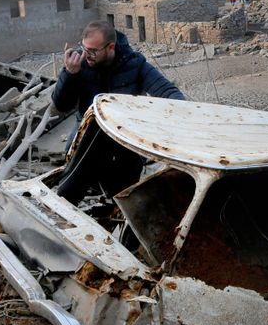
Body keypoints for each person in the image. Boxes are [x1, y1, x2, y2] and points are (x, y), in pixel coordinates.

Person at [52, 20, 185, 204]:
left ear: (111, 47)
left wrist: (183, 114)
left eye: (93, 51)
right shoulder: (79, 64)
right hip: (88, 130)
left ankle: (118, 202)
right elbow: (61, 105)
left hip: (124, 132)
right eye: (84, 48)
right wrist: (69, 74)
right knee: (79, 166)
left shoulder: (134, 63)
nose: (86, 55)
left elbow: (167, 91)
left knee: (127, 175)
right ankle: (68, 200)